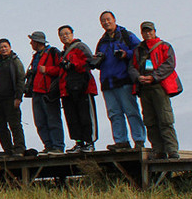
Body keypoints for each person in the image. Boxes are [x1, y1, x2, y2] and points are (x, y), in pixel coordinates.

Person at [129, 21, 182, 160]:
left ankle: (172, 150)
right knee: (150, 121)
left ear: (154, 31)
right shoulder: (138, 50)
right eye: (145, 31)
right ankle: (158, 150)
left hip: (159, 86)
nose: (147, 33)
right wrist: (138, 78)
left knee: (165, 119)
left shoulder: (164, 46)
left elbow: (169, 64)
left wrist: (154, 77)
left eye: (150, 31)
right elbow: (132, 67)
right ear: (141, 33)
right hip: (144, 89)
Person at [96, 11, 147, 151]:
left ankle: (139, 140)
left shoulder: (126, 35)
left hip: (124, 79)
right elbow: (98, 59)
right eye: (103, 21)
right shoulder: (102, 41)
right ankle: (121, 141)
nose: (106, 22)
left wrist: (126, 54)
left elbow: (140, 51)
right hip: (107, 82)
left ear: (114, 20)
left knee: (131, 111)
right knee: (114, 113)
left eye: (108, 19)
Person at [58, 25, 99, 153]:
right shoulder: (63, 53)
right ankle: (79, 142)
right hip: (68, 89)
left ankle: (89, 142)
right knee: (72, 117)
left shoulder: (80, 46)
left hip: (83, 87)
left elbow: (90, 62)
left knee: (85, 115)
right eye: (62, 34)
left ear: (72, 34)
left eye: (67, 33)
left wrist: (73, 64)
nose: (65, 36)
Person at [25, 32, 66, 154]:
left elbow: (62, 69)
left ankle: (58, 146)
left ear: (38, 42)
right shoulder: (36, 56)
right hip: (36, 92)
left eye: (32, 41)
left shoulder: (53, 52)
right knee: (40, 121)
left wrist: (47, 70)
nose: (31, 43)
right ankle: (48, 146)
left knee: (53, 119)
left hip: (49, 92)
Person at [0, 39, 28, 156]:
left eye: (5, 46)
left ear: (10, 47)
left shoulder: (16, 61)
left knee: (15, 125)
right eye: (1, 47)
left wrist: (18, 97)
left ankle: (19, 148)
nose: (3, 49)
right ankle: (8, 150)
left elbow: (21, 80)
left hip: (11, 98)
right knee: (0, 126)